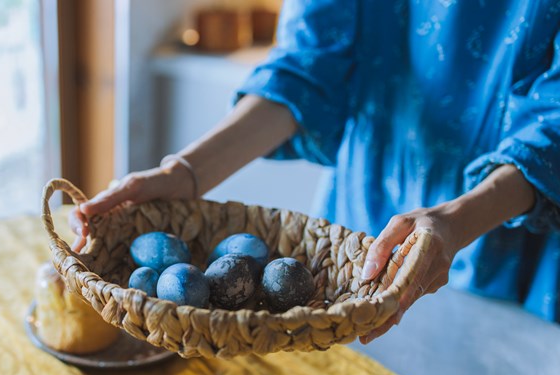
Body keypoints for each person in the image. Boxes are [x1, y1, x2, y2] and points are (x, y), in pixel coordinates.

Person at [70, 0, 560, 342]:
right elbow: (307, 68)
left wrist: (459, 219)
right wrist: (183, 173)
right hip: (356, 238)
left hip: (512, 242)